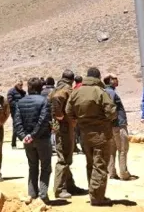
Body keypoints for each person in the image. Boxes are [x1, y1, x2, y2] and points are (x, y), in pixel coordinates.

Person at [66, 67, 117, 207]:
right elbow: (111, 112)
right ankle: (98, 197)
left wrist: (79, 121)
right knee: (100, 165)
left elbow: (68, 112)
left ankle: (93, 192)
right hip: (100, 134)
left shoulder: (76, 92)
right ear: (98, 77)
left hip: (84, 134)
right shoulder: (100, 92)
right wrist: (104, 121)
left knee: (90, 164)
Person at [14, 77, 53, 204]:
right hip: (42, 139)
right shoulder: (44, 101)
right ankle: (43, 194)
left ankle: (32, 194)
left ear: (28, 88)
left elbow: (17, 122)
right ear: (40, 88)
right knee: (46, 167)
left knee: (32, 166)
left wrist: (23, 136)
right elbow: (43, 121)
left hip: (28, 141)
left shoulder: (20, 102)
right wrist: (34, 135)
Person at [49, 70, 86, 199]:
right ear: (71, 80)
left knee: (67, 157)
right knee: (63, 158)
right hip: (64, 127)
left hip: (65, 126)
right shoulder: (65, 89)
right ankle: (59, 189)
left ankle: (70, 186)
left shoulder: (59, 87)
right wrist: (59, 115)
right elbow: (57, 98)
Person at [104, 74, 132, 180]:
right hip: (118, 125)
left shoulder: (106, 91)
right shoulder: (110, 92)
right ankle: (124, 173)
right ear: (110, 80)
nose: (117, 80)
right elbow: (110, 108)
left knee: (112, 150)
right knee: (123, 149)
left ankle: (112, 172)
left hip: (111, 126)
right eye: (115, 79)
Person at [7, 80, 26, 149]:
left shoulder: (23, 92)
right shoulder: (11, 92)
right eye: (19, 85)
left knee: (24, 127)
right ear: (16, 85)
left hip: (22, 111)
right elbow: (10, 101)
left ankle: (25, 142)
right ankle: (13, 143)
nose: (21, 86)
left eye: (22, 85)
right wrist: (18, 105)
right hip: (14, 112)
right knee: (16, 127)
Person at [73, 75, 84, 153]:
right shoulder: (84, 88)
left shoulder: (73, 89)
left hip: (76, 114)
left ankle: (75, 147)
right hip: (84, 113)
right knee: (83, 132)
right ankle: (84, 148)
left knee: (75, 132)